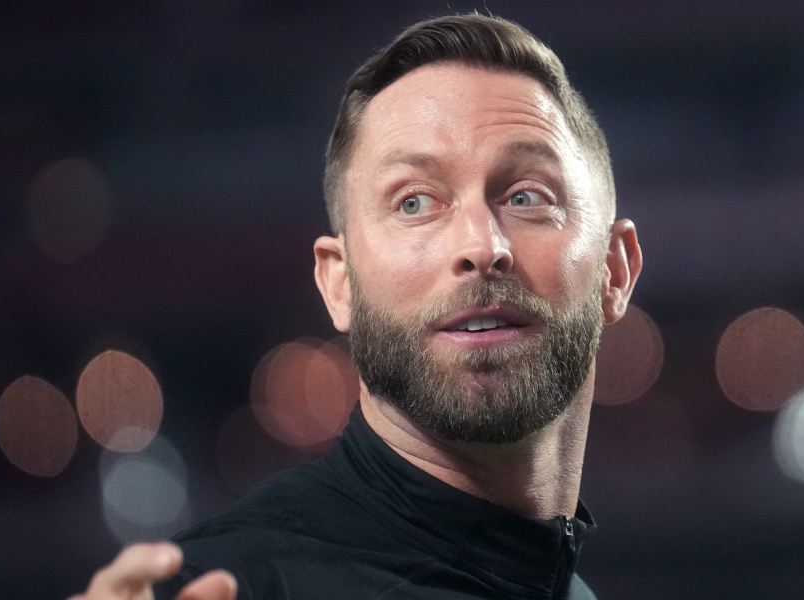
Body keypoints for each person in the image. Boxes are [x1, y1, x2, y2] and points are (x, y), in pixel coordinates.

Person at [70, 13, 641, 600]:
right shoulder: (226, 587)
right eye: (415, 202)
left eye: (527, 197)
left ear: (614, 271)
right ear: (338, 283)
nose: (481, 246)